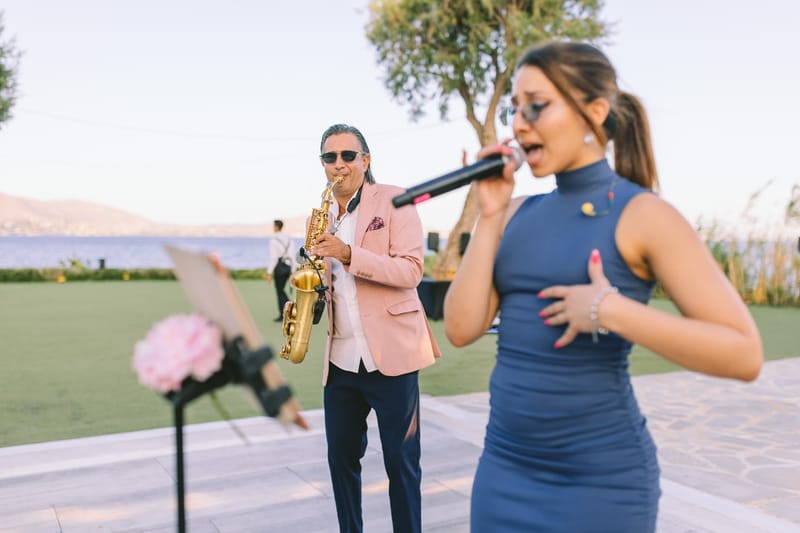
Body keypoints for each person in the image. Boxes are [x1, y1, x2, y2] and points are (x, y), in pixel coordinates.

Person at [443, 41, 763, 532]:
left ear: (594, 112)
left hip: (599, 488)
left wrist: (609, 310)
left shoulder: (644, 215)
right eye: (514, 108)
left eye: (536, 105)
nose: (518, 123)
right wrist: (487, 217)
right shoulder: (511, 214)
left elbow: (744, 354)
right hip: (503, 473)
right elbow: (461, 328)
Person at [308, 123, 441, 533]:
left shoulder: (395, 200)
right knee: (340, 460)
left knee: (401, 463)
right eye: (330, 157)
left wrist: (349, 253)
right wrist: (306, 294)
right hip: (342, 360)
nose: (340, 164)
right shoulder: (320, 217)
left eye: (349, 155)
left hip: (393, 357)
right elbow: (322, 284)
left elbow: (410, 271)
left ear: (366, 161)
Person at [267, 219, 294, 322]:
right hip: (288, 266)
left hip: (279, 267)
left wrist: (269, 272)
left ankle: (285, 313)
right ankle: (288, 310)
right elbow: (292, 256)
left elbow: (273, 258)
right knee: (282, 290)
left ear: (276, 227)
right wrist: (292, 269)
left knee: (279, 291)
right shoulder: (289, 239)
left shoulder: (273, 240)